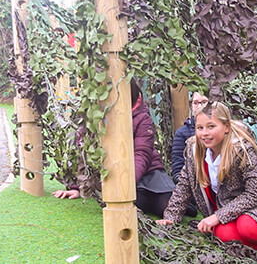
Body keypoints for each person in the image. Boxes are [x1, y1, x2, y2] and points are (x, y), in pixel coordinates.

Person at [157, 102, 257, 261]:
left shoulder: (242, 149)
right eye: (200, 128)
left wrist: (218, 216)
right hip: (229, 207)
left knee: (248, 227)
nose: (204, 133)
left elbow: (256, 193)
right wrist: (171, 217)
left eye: (211, 126)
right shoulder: (195, 151)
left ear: (226, 127)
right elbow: (184, 186)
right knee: (223, 236)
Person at [53, 78, 176, 218]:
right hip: (114, 174)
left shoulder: (141, 116)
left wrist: (125, 182)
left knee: (166, 207)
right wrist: (77, 187)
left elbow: (142, 154)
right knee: (129, 202)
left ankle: (176, 197)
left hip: (146, 172)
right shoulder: (93, 117)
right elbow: (83, 152)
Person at [172, 92, 208, 184]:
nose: (199, 106)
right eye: (195, 103)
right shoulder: (181, 133)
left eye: (204, 102)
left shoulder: (221, 130)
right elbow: (177, 169)